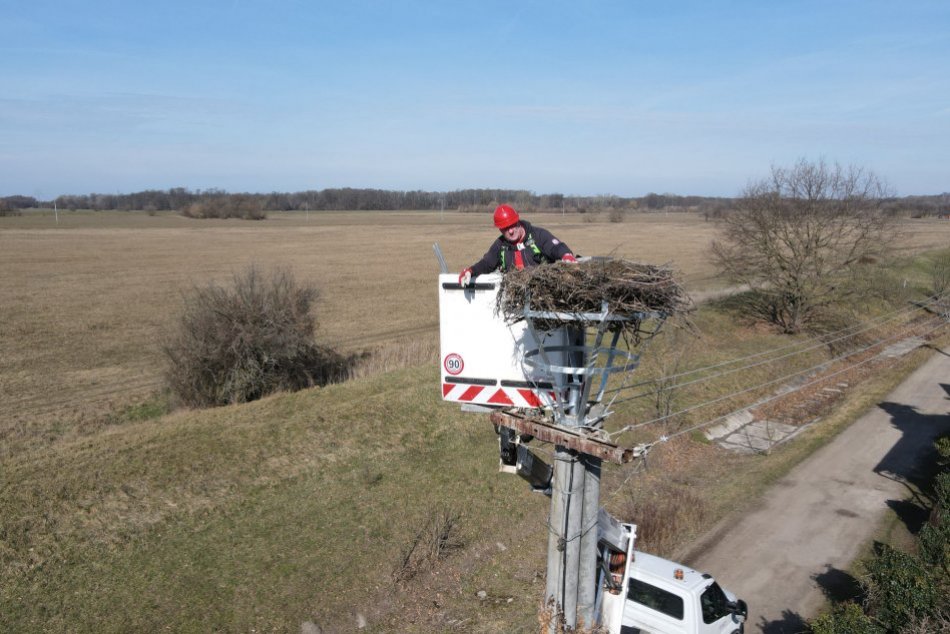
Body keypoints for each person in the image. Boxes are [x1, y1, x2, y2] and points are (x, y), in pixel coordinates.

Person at [458, 204, 577, 285]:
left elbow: (555, 247)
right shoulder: (500, 245)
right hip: (515, 299)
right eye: (505, 229)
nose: (510, 231)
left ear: (518, 221)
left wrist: (566, 255)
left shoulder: (537, 235)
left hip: (543, 292)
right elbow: (487, 263)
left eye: (512, 225)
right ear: (500, 230)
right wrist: (470, 271)